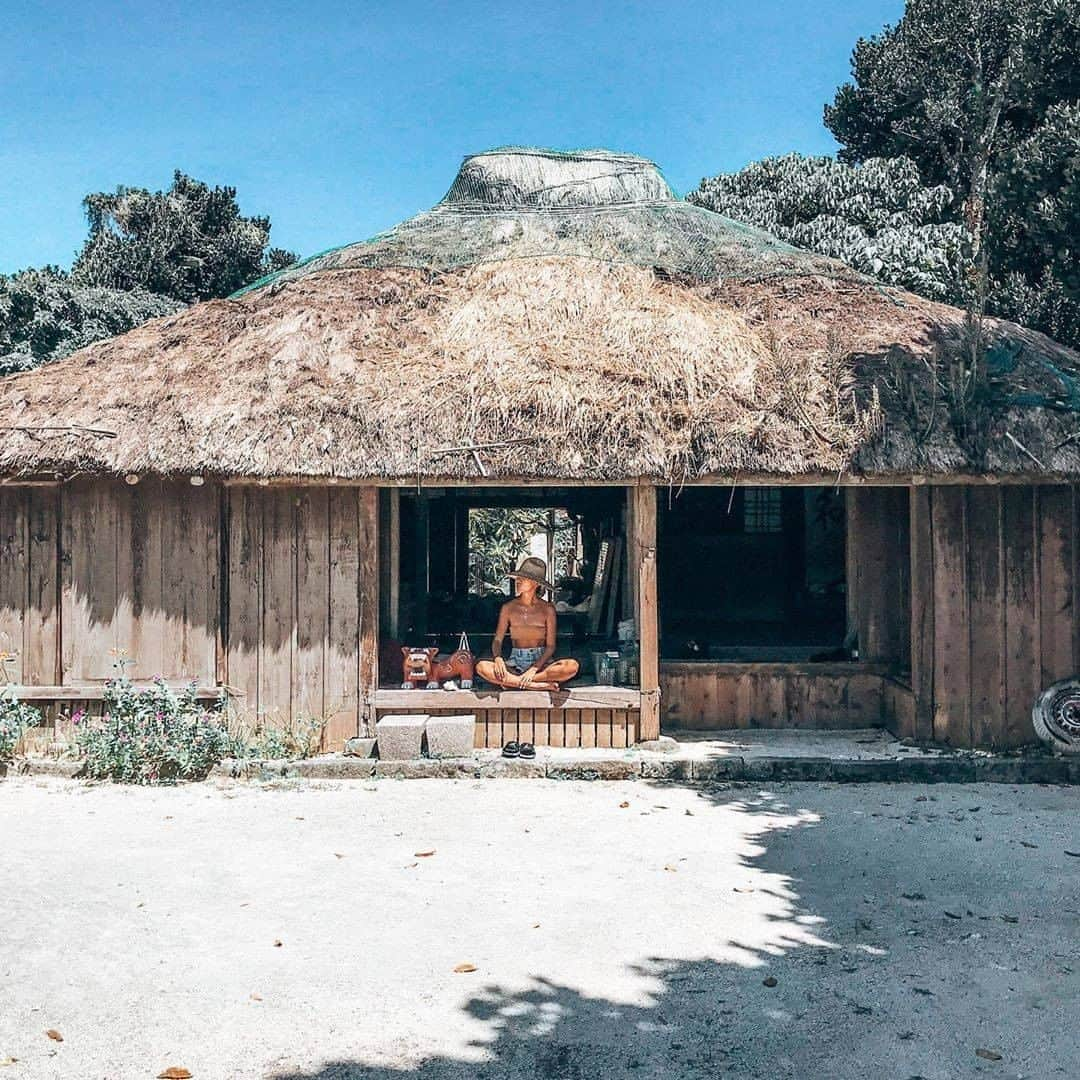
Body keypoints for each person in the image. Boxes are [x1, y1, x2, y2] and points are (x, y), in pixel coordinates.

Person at [475, 557, 580, 690]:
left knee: (571, 666)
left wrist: (534, 669)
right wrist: (498, 658)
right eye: (518, 578)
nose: (517, 581)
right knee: (481, 667)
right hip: (515, 661)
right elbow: (497, 640)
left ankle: (515, 682)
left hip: (541, 662)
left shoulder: (547, 609)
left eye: (522, 579)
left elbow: (551, 646)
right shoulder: (508, 608)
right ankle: (536, 686)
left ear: (535, 583)